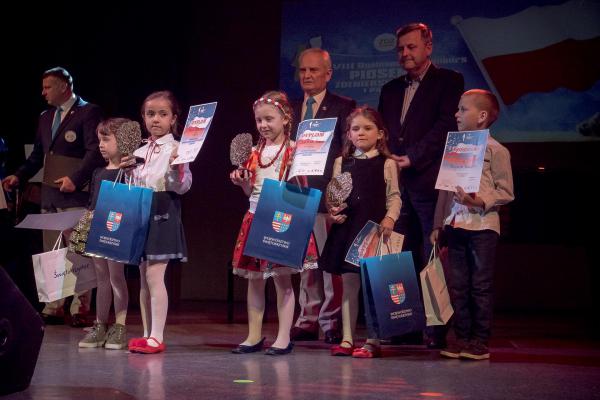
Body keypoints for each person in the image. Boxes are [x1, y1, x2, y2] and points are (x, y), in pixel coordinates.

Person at [378, 23, 464, 347]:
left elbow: (445, 126)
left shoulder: (449, 81)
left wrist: (412, 157)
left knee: (432, 255)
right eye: (400, 49)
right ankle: (403, 325)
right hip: (397, 185)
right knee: (398, 255)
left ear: (429, 46)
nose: (405, 54)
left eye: (411, 47)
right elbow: (383, 130)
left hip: (428, 180)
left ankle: (435, 328)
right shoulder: (389, 88)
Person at [2, 67, 104, 327]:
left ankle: (79, 307)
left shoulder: (88, 112)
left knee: (78, 251)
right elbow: (38, 155)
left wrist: (75, 179)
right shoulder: (46, 117)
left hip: (75, 194)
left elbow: (95, 152)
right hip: (50, 193)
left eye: (48, 87)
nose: (43, 92)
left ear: (64, 86)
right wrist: (20, 176)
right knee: (52, 251)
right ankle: (54, 305)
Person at [230, 90, 319, 356]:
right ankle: (254, 335)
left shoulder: (294, 151)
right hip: (256, 217)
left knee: (282, 281)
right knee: (255, 280)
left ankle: (283, 337)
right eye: (259, 120)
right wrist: (243, 181)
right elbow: (250, 191)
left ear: (285, 119)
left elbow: (302, 187)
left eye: (269, 119)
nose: (263, 125)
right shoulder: (254, 153)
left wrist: (296, 172)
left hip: (283, 219)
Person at [431, 89, 514, 360]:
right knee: (458, 284)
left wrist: (477, 200)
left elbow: (505, 191)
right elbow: (445, 190)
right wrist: (437, 225)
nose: (457, 113)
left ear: (481, 117)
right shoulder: (454, 146)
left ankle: (479, 340)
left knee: (480, 284)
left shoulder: (496, 151)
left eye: (463, 109)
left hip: (482, 227)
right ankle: (461, 338)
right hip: (455, 225)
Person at [319, 106, 401, 358]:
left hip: (374, 232)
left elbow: (395, 197)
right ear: (349, 134)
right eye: (356, 129)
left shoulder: (387, 163)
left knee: (373, 287)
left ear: (380, 134)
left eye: (367, 128)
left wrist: (389, 218)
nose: (361, 133)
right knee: (348, 285)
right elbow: (334, 196)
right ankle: (347, 338)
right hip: (348, 230)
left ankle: (373, 340)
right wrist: (332, 212)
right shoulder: (341, 162)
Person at [290, 48, 356, 344]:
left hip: (326, 195)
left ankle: (330, 322)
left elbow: (347, 151)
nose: (307, 75)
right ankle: (307, 318)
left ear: (328, 74)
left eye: (313, 70)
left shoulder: (343, 106)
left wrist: (338, 192)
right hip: (294, 194)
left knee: (329, 264)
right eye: (303, 70)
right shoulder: (289, 109)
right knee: (305, 264)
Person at [125, 91, 192, 354]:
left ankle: (157, 336)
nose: (156, 119)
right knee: (143, 278)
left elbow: (183, 187)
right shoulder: (139, 150)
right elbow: (135, 182)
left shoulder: (178, 149)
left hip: (163, 209)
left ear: (174, 118)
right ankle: (146, 333)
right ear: (143, 117)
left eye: (163, 114)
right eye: (150, 114)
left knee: (154, 276)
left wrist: (177, 168)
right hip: (140, 209)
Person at [78, 118, 134, 349]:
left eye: (106, 139)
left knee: (116, 277)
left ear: (122, 141)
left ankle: (119, 326)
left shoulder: (129, 171)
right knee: (101, 279)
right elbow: (91, 204)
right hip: (96, 225)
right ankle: (100, 325)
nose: (101, 144)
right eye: (99, 139)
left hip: (117, 227)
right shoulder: (99, 171)